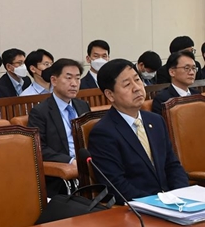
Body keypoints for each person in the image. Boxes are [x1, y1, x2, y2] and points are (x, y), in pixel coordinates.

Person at [88, 59, 188, 201]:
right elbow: (116, 185)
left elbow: (172, 165)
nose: (137, 88)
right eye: (127, 85)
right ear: (110, 95)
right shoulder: (103, 133)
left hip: (171, 204)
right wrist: (157, 203)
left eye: (137, 80)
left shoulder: (156, 121)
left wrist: (182, 195)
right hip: (137, 209)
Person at [27, 59, 90, 196]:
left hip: (88, 168)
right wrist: (69, 161)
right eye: (68, 78)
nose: (74, 83)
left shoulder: (82, 106)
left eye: (78, 78)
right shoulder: (40, 112)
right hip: (61, 177)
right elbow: (38, 148)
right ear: (54, 80)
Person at [151, 50, 200, 115]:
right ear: (172, 72)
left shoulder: (197, 95)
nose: (192, 72)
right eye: (186, 68)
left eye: (194, 68)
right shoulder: (162, 99)